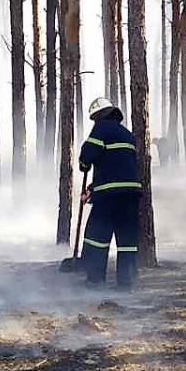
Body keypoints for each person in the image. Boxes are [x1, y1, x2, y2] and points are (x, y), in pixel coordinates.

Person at [78, 97, 142, 290]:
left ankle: (95, 280)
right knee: (127, 240)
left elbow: (87, 155)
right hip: (130, 194)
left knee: (97, 236)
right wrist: (91, 189)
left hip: (108, 196)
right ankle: (126, 282)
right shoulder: (127, 134)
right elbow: (116, 166)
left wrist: (83, 165)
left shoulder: (101, 129)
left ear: (98, 116)